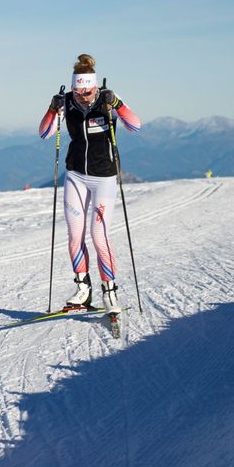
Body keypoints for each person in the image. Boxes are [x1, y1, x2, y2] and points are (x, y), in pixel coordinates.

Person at [38, 54, 141, 315]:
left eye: (87, 92)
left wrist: (117, 104)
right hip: (75, 175)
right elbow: (44, 132)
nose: (83, 97)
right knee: (74, 234)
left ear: (95, 87)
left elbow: (135, 126)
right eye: (78, 92)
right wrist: (52, 109)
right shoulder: (69, 102)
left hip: (103, 176)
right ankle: (83, 287)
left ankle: (109, 289)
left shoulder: (107, 100)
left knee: (99, 235)